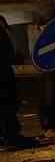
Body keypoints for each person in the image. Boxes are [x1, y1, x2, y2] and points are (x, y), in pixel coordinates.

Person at [0, 15, 26, 147]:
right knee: (7, 105)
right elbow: (8, 54)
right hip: (3, 74)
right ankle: (12, 137)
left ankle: (8, 136)